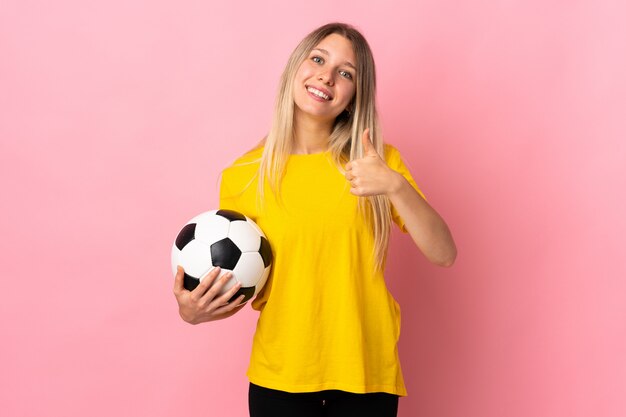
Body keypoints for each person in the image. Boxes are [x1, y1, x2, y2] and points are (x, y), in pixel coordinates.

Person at [173, 22, 457, 417]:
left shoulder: (377, 163)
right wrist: (194, 311)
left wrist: (395, 186)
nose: (327, 75)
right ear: (295, 68)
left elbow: (444, 253)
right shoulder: (244, 175)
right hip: (281, 378)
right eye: (319, 59)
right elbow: (248, 282)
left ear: (355, 96)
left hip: (364, 374)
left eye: (346, 73)